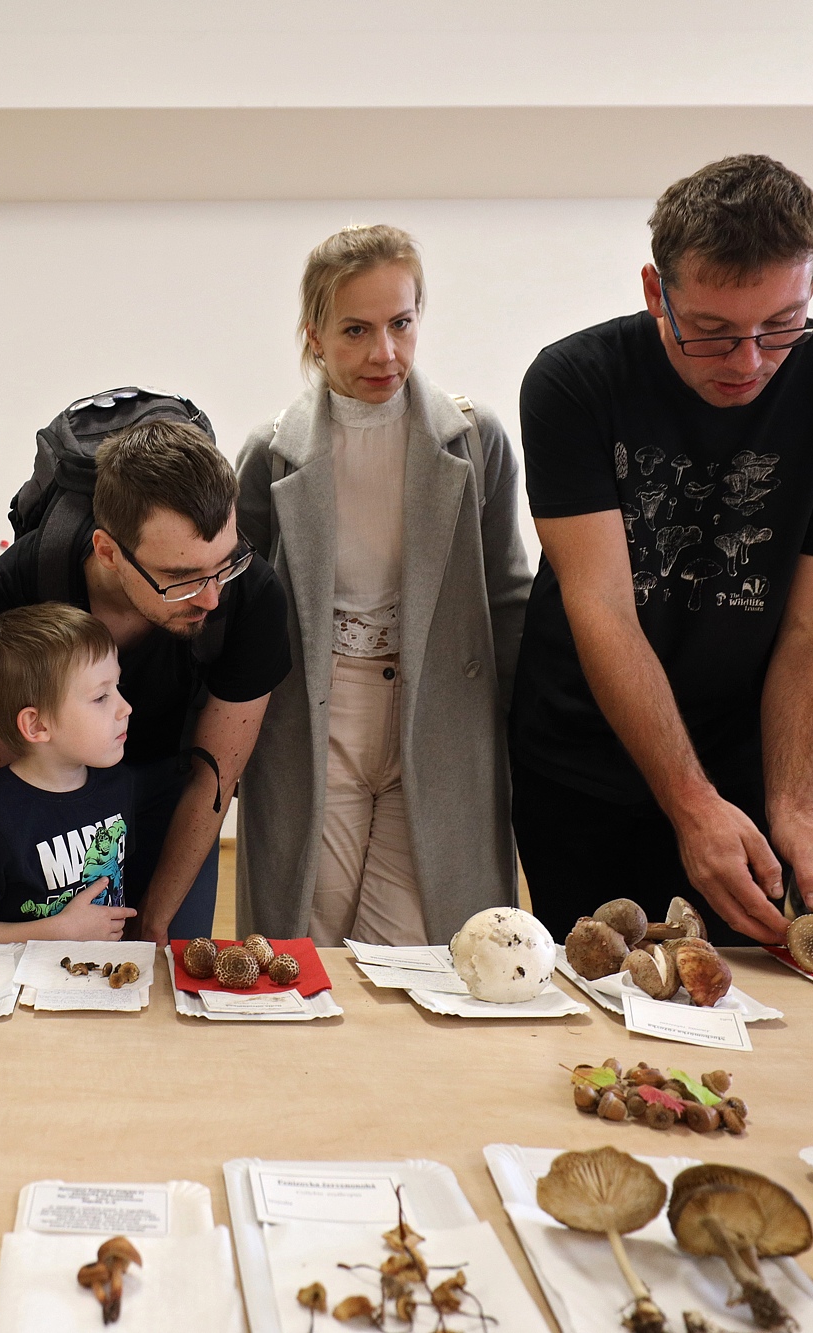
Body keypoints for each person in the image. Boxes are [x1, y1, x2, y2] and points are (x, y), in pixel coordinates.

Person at [511, 154, 813, 947]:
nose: (749, 361)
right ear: (656, 291)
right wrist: (689, 801)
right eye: (713, 332)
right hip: (581, 759)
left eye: (782, 324)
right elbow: (603, 606)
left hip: (750, 759)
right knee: (590, 990)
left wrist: (795, 805)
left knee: (740, 994)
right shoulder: (575, 381)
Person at [236, 224, 531, 947]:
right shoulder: (271, 455)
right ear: (314, 336)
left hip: (439, 716)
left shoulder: (474, 439)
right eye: (356, 330)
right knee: (308, 937)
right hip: (315, 714)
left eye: (401, 324)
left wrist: (524, 733)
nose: (385, 353)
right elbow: (238, 612)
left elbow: (507, 596)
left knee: (418, 948)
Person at [0, 418, 292, 944]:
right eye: (179, 577)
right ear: (108, 552)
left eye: (224, 564)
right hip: (54, 793)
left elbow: (213, 779)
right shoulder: (21, 586)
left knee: (169, 956)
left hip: (178, 787)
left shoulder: (252, 596)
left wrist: (154, 922)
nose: (211, 598)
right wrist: (37, 925)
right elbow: (2, 782)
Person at [0, 605, 136, 943]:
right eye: (101, 697)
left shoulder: (117, 784)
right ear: (37, 725)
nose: (125, 707)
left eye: (117, 686)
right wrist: (57, 931)